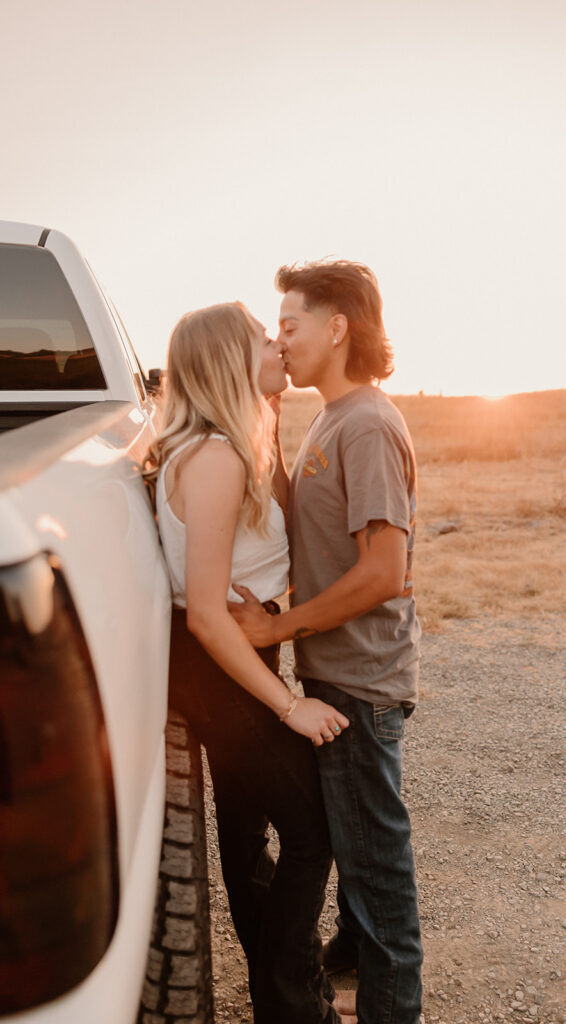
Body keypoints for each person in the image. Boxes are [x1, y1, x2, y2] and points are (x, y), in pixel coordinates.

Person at [143, 302, 355, 1024]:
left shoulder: (235, 442)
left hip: (220, 657)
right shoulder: (214, 458)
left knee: (244, 830)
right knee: (310, 829)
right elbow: (204, 609)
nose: (277, 340)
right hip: (213, 666)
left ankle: (282, 993)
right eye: (261, 337)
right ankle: (293, 1002)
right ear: (229, 361)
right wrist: (287, 704)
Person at [230, 263, 423, 1024]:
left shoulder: (368, 422)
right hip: (334, 675)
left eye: (290, 325)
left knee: (378, 885)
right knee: (355, 874)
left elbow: (383, 571)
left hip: (360, 686)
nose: (280, 340)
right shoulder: (329, 419)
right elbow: (307, 529)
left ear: (336, 327)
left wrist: (275, 627)